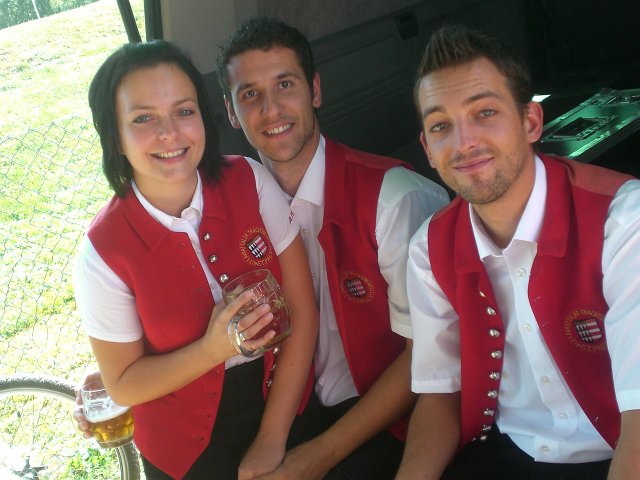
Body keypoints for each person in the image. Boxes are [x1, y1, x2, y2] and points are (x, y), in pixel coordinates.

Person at [395, 24, 640, 480]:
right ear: (427, 148)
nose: (463, 142)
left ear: (531, 122)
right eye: (441, 125)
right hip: (504, 451)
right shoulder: (429, 248)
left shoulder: (623, 222)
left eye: (485, 112)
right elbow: (439, 395)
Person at [216, 16, 450, 480]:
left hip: (391, 414)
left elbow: (430, 357)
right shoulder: (232, 207)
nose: (271, 109)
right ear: (231, 112)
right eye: (250, 94)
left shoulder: (394, 199)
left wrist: (319, 455)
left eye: (285, 84)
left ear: (315, 91)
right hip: (288, 406)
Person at [72, 40, 318, 480]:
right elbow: (123, 382)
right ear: (115, 136)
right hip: (181, 448)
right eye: (143, 118)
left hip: (283, 398)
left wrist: (272, 437)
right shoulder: (102, 251)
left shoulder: (249, 180)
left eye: (184, 111)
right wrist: (212, 350)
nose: (170, 133)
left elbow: (302, 310)